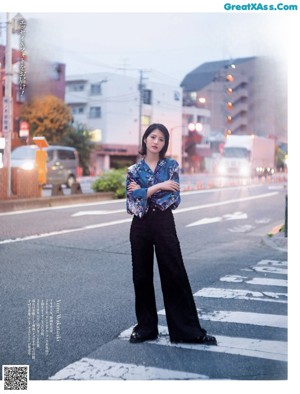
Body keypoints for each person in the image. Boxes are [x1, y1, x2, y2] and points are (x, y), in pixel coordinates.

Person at [126, 123, 217, 345]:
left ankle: (187, 331)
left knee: (174, 273)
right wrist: (158, 187)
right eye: (153, 137)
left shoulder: (171, 166)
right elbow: (131, 203)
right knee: (141, 276)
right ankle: (146, 328)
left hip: (164, 223)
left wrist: (143, 191)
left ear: (165, 144)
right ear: (145, 139)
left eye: (161, 139)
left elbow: (173, 199)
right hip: (140, 224)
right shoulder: (133, 170)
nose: (156, 142)